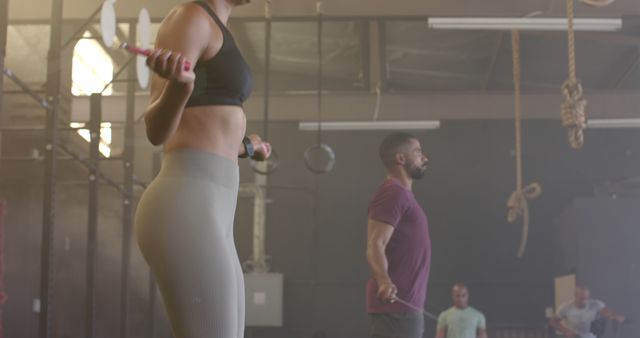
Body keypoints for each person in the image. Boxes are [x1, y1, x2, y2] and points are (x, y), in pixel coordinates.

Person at [133, 0, 271, 337]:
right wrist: (180, 87)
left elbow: (204, 129)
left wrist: (246, 146)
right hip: (185, 203)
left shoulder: (218, 28)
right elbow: (156, 130)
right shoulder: (192, 17)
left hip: (211, 207)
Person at [366, 132, 432, 338]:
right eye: (418, 152)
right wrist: (384, 281)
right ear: (400, 158)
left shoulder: (402, 195)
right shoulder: (392, 192)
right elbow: (375, 244)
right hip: (396, 312)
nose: (425, 158)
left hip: (406, 310)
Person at [550, 285, 625, 338]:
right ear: (575, 296)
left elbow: (606, 311)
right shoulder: (566, 307)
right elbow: (553, 321)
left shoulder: (594, 304)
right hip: (574, 336)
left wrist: (615, 316)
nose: (585, 301)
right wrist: (566, 331)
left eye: (586, 298)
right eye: (582, 299)